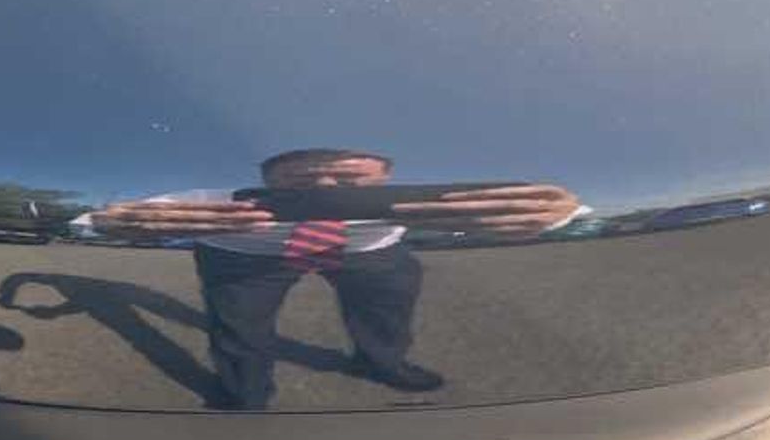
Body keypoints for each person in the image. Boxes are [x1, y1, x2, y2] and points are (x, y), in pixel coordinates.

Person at [90, 149, 584, 410]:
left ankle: (382, 363)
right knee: (238, 328)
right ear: (267, 178)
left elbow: (546, 212)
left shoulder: (431, 197)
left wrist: (561, 213)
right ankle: (245, 394)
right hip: (245, 255)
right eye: (301, 180)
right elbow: (110, 217)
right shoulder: (211, 197)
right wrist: (106, 222)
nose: (325, 190)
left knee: (387, 311)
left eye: (349, 181)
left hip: (368, 250)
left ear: (385, 176)